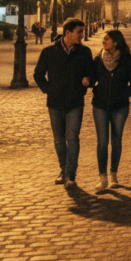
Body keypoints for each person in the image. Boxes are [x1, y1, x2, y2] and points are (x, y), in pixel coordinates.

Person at [33, 18, 93, 188]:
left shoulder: (84, 52)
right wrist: (48, 90)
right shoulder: (49, 52)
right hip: (55, 102)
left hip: (75, 102)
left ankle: (71, 174)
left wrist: (88, 81)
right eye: (79, 32)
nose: (82, 35)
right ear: (68, 32)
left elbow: (92, 74)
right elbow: (38, 75)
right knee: (59, 140)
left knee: (72, 138)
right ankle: (64, 170)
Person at [88, 29, 131, 192]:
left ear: (116, 42)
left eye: (107, 39)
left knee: (116, 141)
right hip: (100, 106)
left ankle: (114, 175)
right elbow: (92, 80)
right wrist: (88, 82)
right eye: (104, 39)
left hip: (120, 107)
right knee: (102, 142)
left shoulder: (128, 60)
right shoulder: (97, 60)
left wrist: (124, 94)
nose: (104, 41)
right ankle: (102, 178)